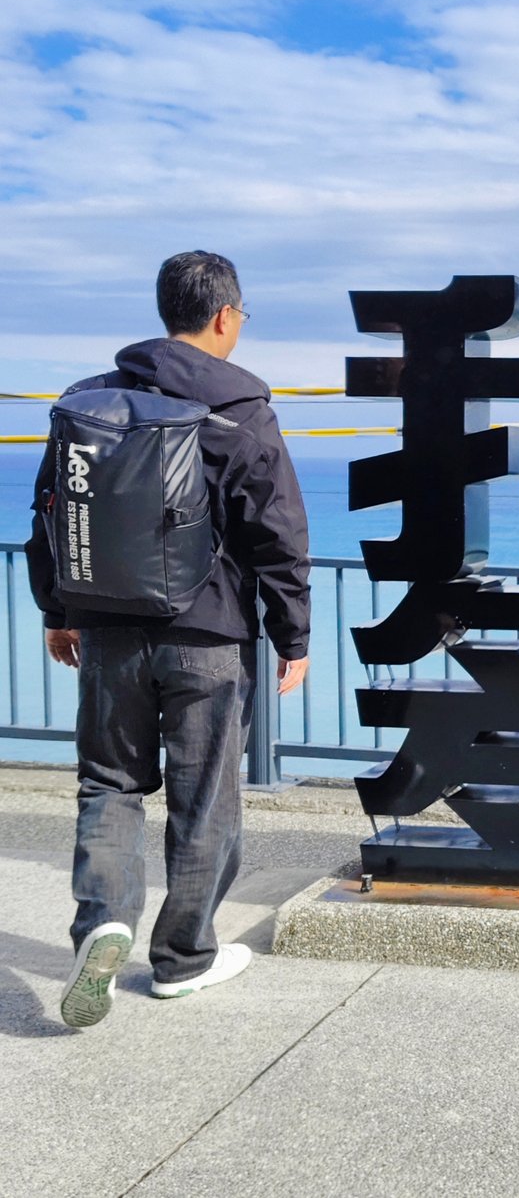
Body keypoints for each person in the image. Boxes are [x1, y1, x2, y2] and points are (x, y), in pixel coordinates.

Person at [26, 250, 310, 1028]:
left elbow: (49, 513)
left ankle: (102, 923)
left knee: (109, 784)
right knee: (205, 797)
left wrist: (57, 609)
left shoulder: (89, 400)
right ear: (224, 316)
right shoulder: (242, 407)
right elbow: (278, 531)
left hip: (108, 630)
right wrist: (292, 633)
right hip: (209, 635)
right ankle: (183, 959)